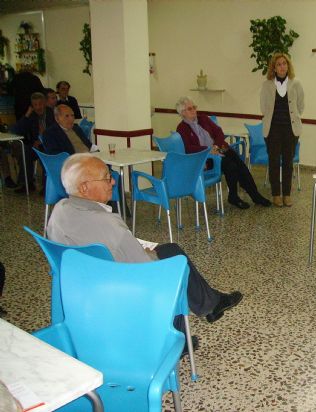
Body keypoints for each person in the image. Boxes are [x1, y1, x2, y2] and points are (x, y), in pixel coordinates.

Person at [47, 153, 243, 323]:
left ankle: (210, 303)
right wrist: (147, 254)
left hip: (79, 282)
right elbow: (143, 265)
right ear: (84, 188)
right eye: (107, 178)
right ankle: (178, 332)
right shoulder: (107, 222)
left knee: (171, 248)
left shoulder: (59, 210)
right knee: (176, 260)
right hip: (117, 285)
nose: (113, 182)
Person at [175, 97, 271, 209]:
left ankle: (254, 195)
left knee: (239, 163)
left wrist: (215, 145)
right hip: (205, 158)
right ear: (182, 113)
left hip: (219, 148)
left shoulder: (203, 119)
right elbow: (188, 148)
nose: (194, 110)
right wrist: (208, 149)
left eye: (194, 107)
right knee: (231, 166)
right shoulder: (181, 128)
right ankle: (235, 196)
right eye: (190, 108)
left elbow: (219, 132)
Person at [260, 53, 304, 207]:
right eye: (278, 64)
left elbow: (301, 105)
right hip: (273, 130)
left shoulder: (296, 83)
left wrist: (295, 117)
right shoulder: (267, 84)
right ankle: (276, 194)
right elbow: (263, 107)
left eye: (284, 63)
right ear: (274, 67)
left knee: (288, 162)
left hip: (290, 130)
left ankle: (287, 194)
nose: (282, 66)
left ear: (288, 65)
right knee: (273, 162)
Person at [11, 91, 55, 192]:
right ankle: (27, 184)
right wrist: (27, 114)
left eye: (40, 104)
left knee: (46, 153)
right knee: (25, 152)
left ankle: (46, 186)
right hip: (35, 145)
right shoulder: (31, 115)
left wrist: (43, 139)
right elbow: (16, 131)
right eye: (35, 105)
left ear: (44, 103)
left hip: (50, 144)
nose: (38, 107)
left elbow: (56, 131)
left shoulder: (52, 113)